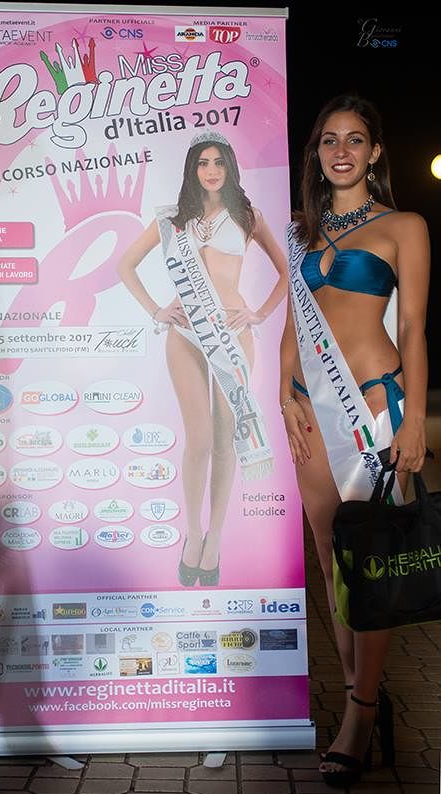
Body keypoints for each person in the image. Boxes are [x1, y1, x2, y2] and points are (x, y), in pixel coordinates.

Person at [280, 94, 430, 786]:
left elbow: (413, 329)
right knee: (332, 560)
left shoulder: (404, 225)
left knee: (370, 558)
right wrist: (285, 395)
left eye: (355, 139)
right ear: (317, 153)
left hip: (373, 406)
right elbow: (292, 325)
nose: (341, 151)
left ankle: (362, 715)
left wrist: (413, 420)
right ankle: (356, 693)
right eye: (329, 140)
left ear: (375, 153)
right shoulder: (300, 232)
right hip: (313, 408)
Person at [119, 130, 288, 587]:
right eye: (202, 162)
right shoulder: (174, 219)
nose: (211, 170)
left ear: (230, 167)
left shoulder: (247, 216)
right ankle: (192, 534)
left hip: (232, 338)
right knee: (198, 440)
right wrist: (156, 310)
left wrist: (258, 313)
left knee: (224, 441)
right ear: (192, 170)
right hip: (185, 337)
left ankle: (215, 538)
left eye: (218, 161)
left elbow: (286, 271)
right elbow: (125, 265)